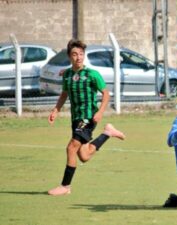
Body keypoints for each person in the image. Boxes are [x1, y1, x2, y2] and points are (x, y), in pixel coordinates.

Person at [47, 39, 126, 196]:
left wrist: (100, 112)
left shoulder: (92, 74)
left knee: (71, 148)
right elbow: (64, 94)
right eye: (75, 54)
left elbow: (106, 93)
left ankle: (65, 186)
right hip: (76, 118)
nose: (78, 57)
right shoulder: (67, 74)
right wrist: (56, 109)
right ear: (69, 56)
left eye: (81, 54)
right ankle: (108, 133)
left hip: (88, 117)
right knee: (84, 155)